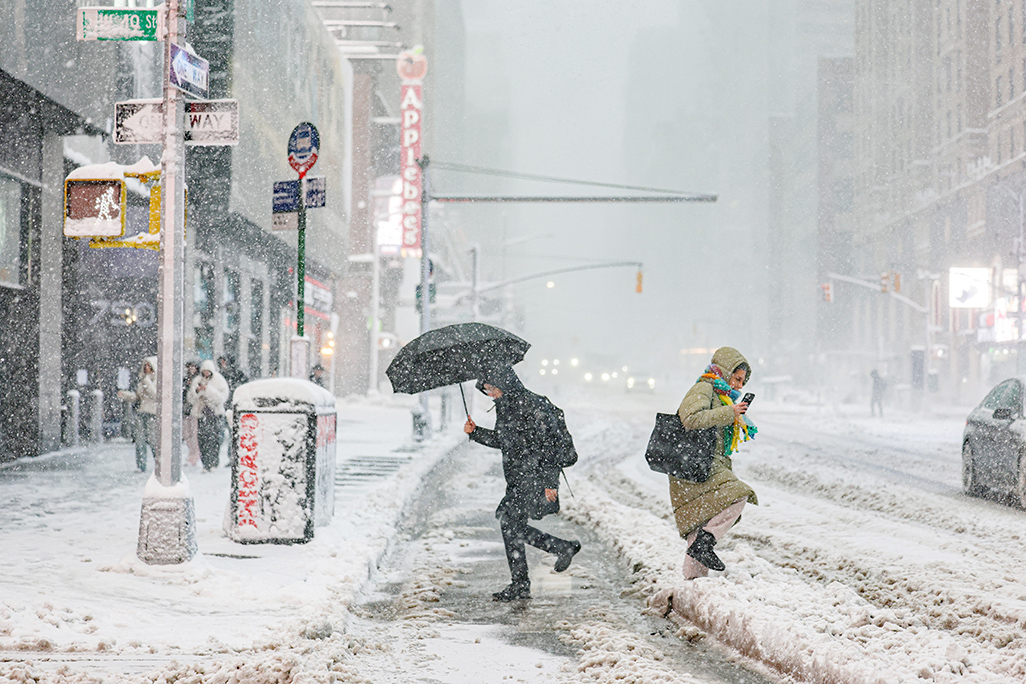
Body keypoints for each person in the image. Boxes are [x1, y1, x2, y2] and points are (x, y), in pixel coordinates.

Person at [463, 366, 582, 602]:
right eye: (487, 391)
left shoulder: (531, 405)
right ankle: (558, 550)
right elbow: (505, 441)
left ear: (505, 384)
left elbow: (549, 445)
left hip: (535, 477)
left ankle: (523, 582)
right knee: (511, 525)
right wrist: (476, 432)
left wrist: (550, 482)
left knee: (509, 523)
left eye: (493, 389)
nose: (491, 395)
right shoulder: (506, 406)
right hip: (519, 478)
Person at [671, 347, 758, 579]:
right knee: (739, 494)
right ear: (726, 371)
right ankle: (705, 542)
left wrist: (733, 412)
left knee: (699, 519)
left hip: (703, 464)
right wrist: (729, 412)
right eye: (737, 379)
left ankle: (694, 583)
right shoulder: (704, 388)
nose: (740, 386)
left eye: (742, 382)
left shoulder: (722, 395)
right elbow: (690, 419)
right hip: (695, 464)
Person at [187, 359, 230, 471]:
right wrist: (198, 391)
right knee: (202, 440)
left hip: (215, 414)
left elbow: (222, 397)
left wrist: (208, 390)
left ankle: (214, 462)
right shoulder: (197, 380)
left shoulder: (219, 380)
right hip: (201, 414)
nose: (206, 373)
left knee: (214, 439)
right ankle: (206, 463)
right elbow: (191, 398)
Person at [117, 356, 158, 472]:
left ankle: (159, 464)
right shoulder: (143, 381)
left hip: (152, 413)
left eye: (149, 366)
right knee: (140, 440)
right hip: (142, 412)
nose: (147, 368)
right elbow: (137, 397)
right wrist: (125, 395)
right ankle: (141, 465)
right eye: (145, 366)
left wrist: (147, 382)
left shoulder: (155, 381)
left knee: (153, 440)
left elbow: (155, 395)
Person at [182, 360, 201, 466]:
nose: (191, 369)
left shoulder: (198, 380)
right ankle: (191, 452)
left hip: (194, 409)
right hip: (186, 409)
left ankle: (195, 454)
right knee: (186, 433)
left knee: (194, 433)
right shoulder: (185, 379)